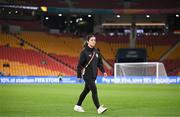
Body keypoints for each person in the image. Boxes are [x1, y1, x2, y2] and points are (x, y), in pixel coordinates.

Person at [74, 35, 108, 114]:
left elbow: (100, 63)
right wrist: (79, 76)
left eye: (95, 40)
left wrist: (103, 72)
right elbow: (79, 65)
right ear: (88, 41)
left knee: (86, 91)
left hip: (94, 76)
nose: (94, 41)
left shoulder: (97, 51)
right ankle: (98, 108)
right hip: (87, 75)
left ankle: (77, 106)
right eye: (92, 40)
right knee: (94, 90)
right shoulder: (84, 52)